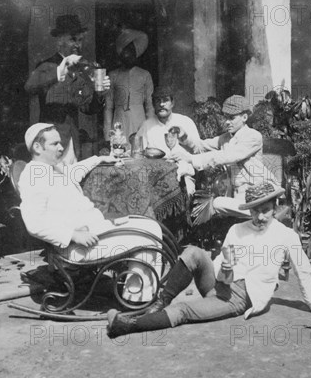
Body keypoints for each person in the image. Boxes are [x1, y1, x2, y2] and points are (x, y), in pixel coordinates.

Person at [106, 182, 311, 338]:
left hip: (240, 297)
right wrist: (224, 271)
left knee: (183, 309)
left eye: (267, 210)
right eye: (255, 211)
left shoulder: (286, 236)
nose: (260, 217)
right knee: (193, 252)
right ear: (249, 210)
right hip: (220, 284)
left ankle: (127, 326)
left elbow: (303, 270)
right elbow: (222, 266)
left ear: (275, 208)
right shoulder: (237, 229)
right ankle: (160, 303)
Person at [18, 123, 162, 302]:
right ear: (37, 147)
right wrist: (72, 235)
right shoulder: (32, 177)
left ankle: (137, 293)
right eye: (54, 144)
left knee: (150, 225)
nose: (61, 148)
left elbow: (75, 172)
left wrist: (99, 159)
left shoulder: (52, 168)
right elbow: (34, 223)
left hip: (96, 230)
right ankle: (138, 298)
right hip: (80, 246)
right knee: (147, 237)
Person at [170, 94, 278, 217]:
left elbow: (228, 156)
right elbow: (201, 146)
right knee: (217, 205)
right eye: (225, 117)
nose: (227, 122)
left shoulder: (253, 136)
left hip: (261, 194)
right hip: (240, 197)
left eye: (231, 118)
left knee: (217, 204)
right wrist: (183, 136)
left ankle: (263, 213)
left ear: (244, 117)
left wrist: (191, 159)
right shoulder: (225, 138)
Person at [24, 15, 109, 164]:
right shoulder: (46, 66)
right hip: (49, 143)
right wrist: (59, 72)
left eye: (80, 40)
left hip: (73, 142)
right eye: (72, 39)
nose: (77, 45)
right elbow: (29, 87)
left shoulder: (81, 72)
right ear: (60, 41)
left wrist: (99, 93)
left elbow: (88, 108)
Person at [134, 85, 203, 195]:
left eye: (165, 100)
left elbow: (199, 150)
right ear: (153, 104)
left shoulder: (185, 122)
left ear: (172, 103)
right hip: (155, 177)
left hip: (183, 175)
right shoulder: (146, 126)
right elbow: (138, 154)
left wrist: (184, 138)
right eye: (158, 101)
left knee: (185, 194)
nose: (161, 104)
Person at [104, 29, 154, 142]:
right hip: (119, 121)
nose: (129, 55)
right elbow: (108, 107)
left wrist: (150, 131)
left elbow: (149, 105)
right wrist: (107, 135)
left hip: (139, 120)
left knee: (139, 151)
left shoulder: (144, 75)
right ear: (121, 54)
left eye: (132, 51)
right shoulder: (113, 75)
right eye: (126, 51)